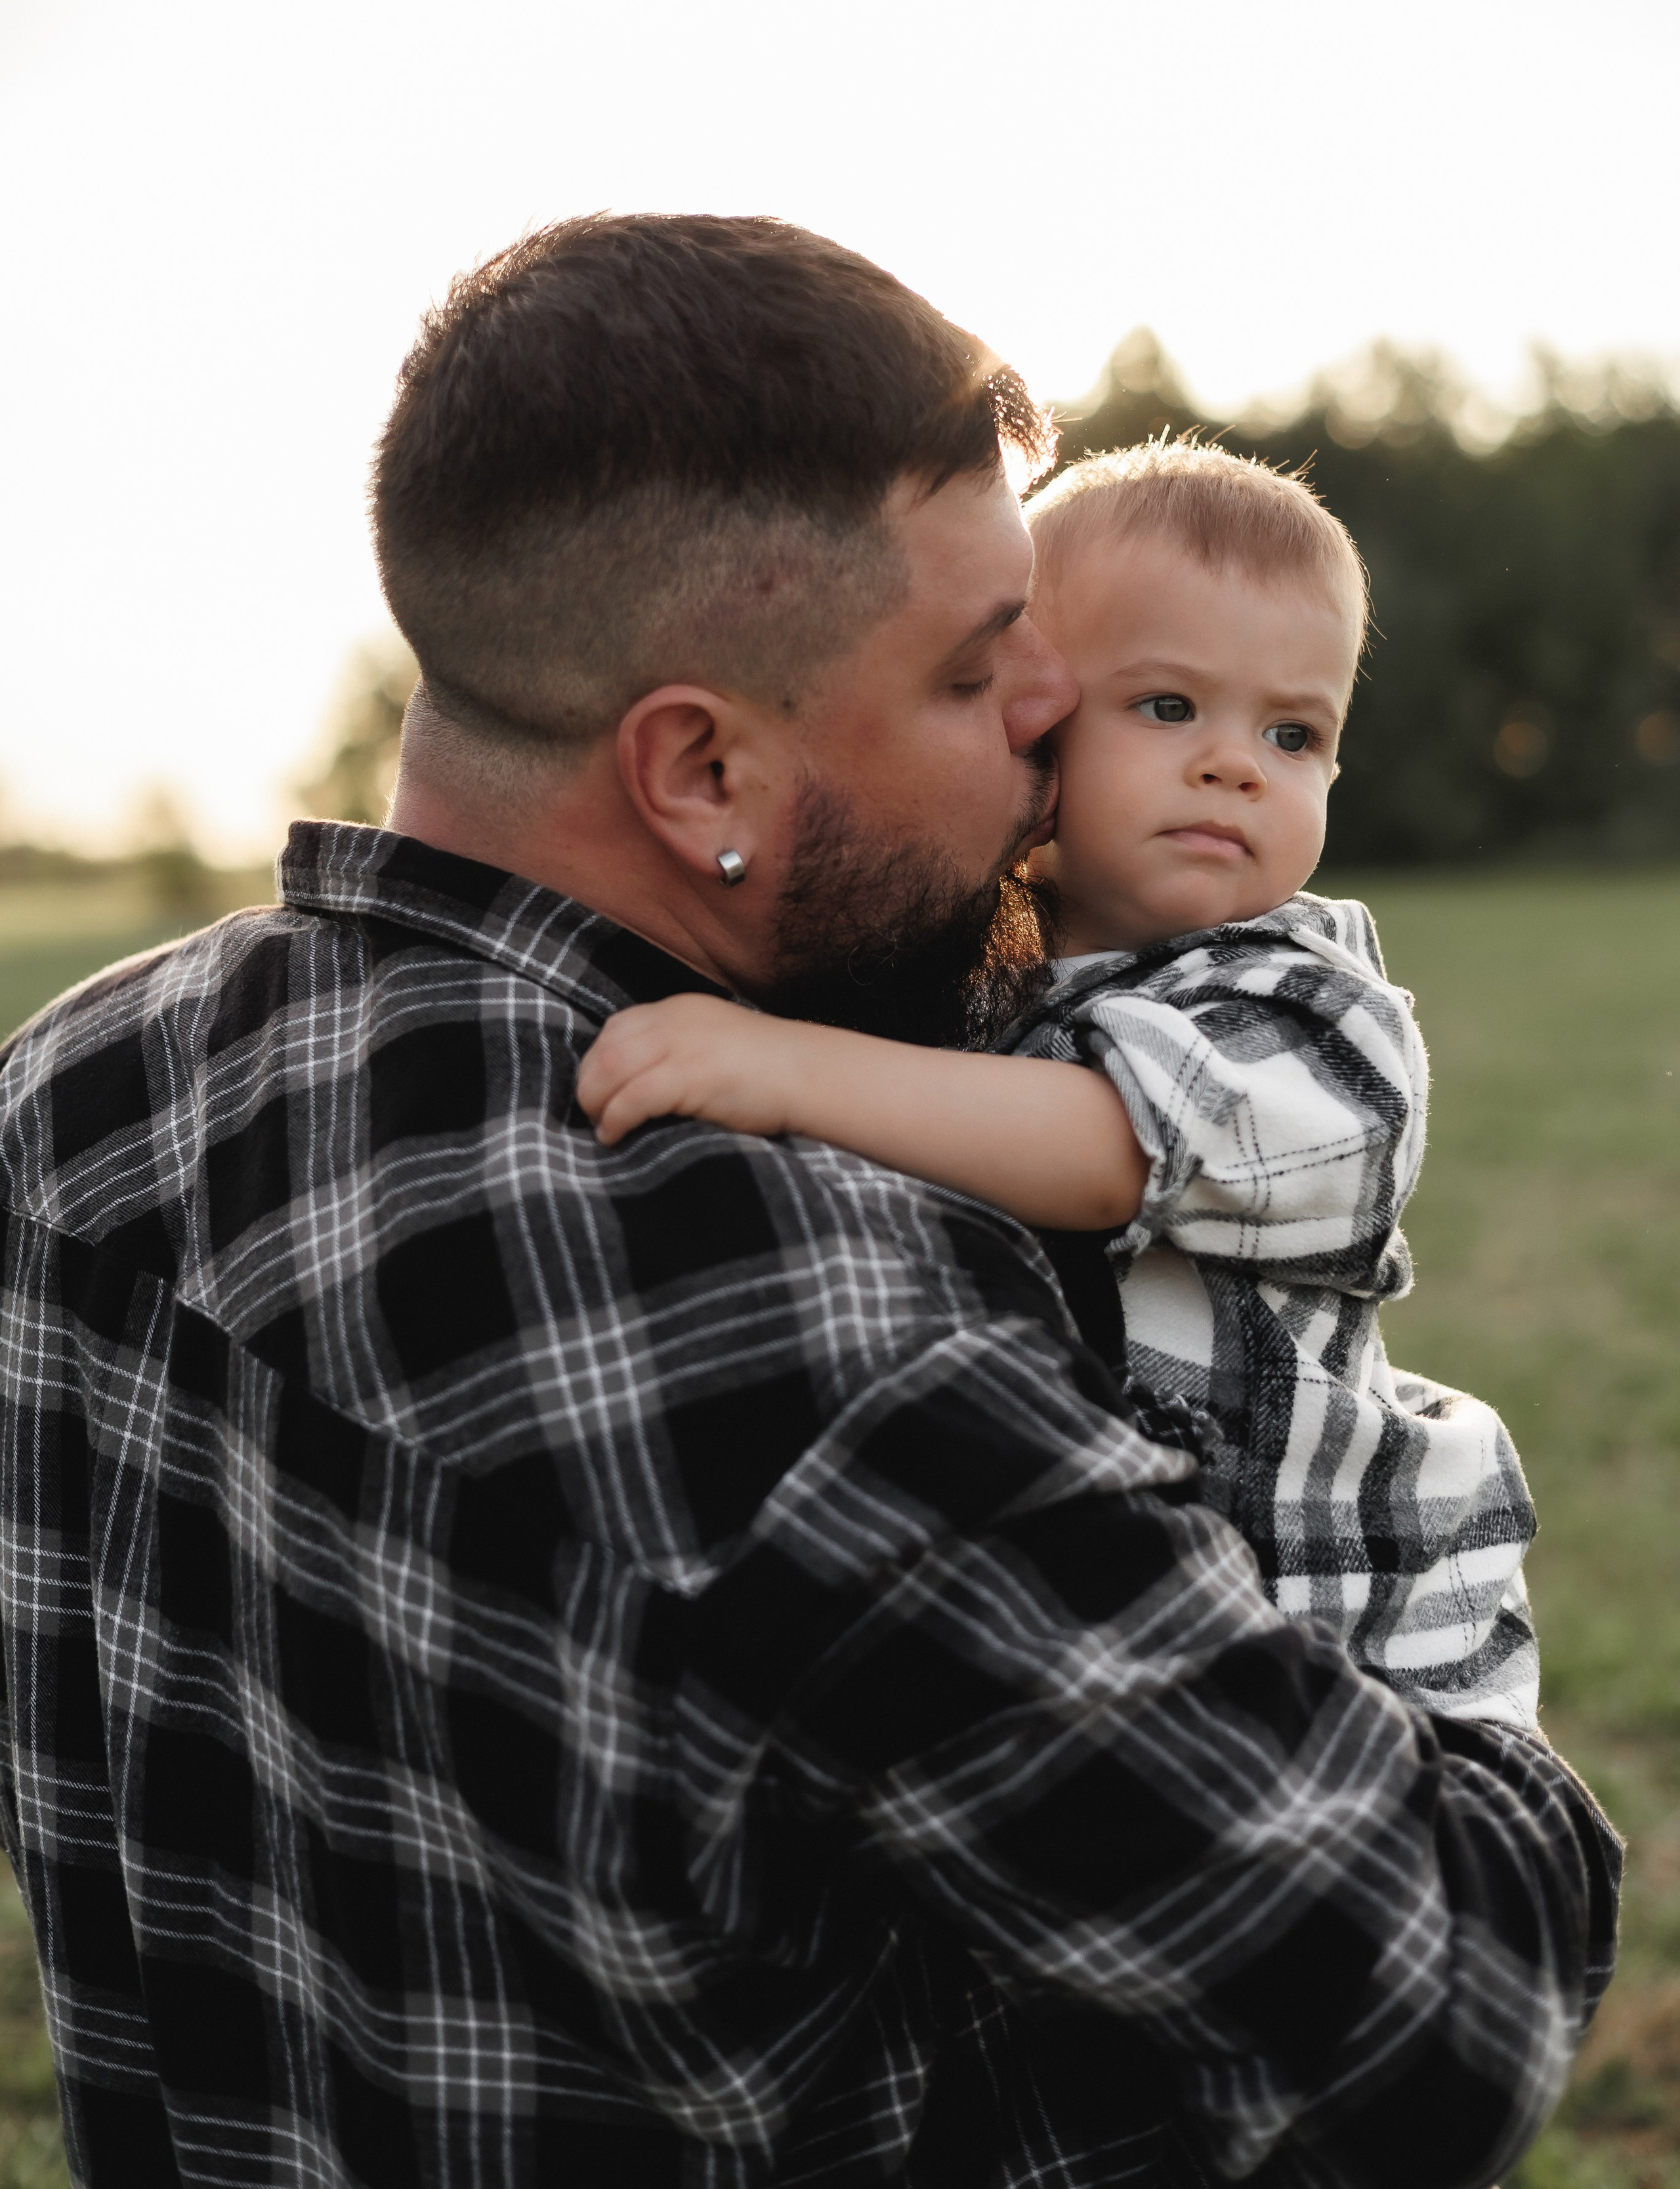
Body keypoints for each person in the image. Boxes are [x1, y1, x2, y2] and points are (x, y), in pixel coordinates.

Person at [0, 217, 1617, 2189]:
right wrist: (1457, 1668)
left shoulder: (68, 1095)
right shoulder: (810, 1298)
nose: (1053, 708)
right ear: (701, 771)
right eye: (971, 668)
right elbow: (1437, 2005)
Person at [578, 439, 1542, 1730]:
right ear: (1032, 737)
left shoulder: (1320, 1019)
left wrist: (788, 1071)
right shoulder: (985, 1000)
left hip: (1357, 1672)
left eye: (1292, 732)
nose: (1233, 764)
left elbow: (1107, 1149)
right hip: (1119, 1640)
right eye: (1164, 708)